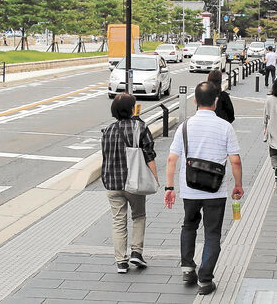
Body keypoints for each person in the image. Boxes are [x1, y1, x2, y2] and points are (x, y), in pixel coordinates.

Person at [165, 81, 244, 296]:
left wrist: (169, 187)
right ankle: (205, 280)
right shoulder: (225, 127)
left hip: (189, 190)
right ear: (216, 101)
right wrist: (238, 185)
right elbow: (235, 160)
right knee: (212, 234)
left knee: (188, 226)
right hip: (216, 191)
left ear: (195, 101)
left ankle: (188, 269)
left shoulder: (185, 127)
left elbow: (172, 159)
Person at [101, 93, 159, 274]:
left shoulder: (108, 131)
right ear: (131, 109)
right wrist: (155, 178)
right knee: (138, 215)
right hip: (134, 181)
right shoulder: (139, 128)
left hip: (112, 182)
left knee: (118, 221)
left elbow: (105, 157)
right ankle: (136, 252)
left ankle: (121, 261)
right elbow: (149, 155)